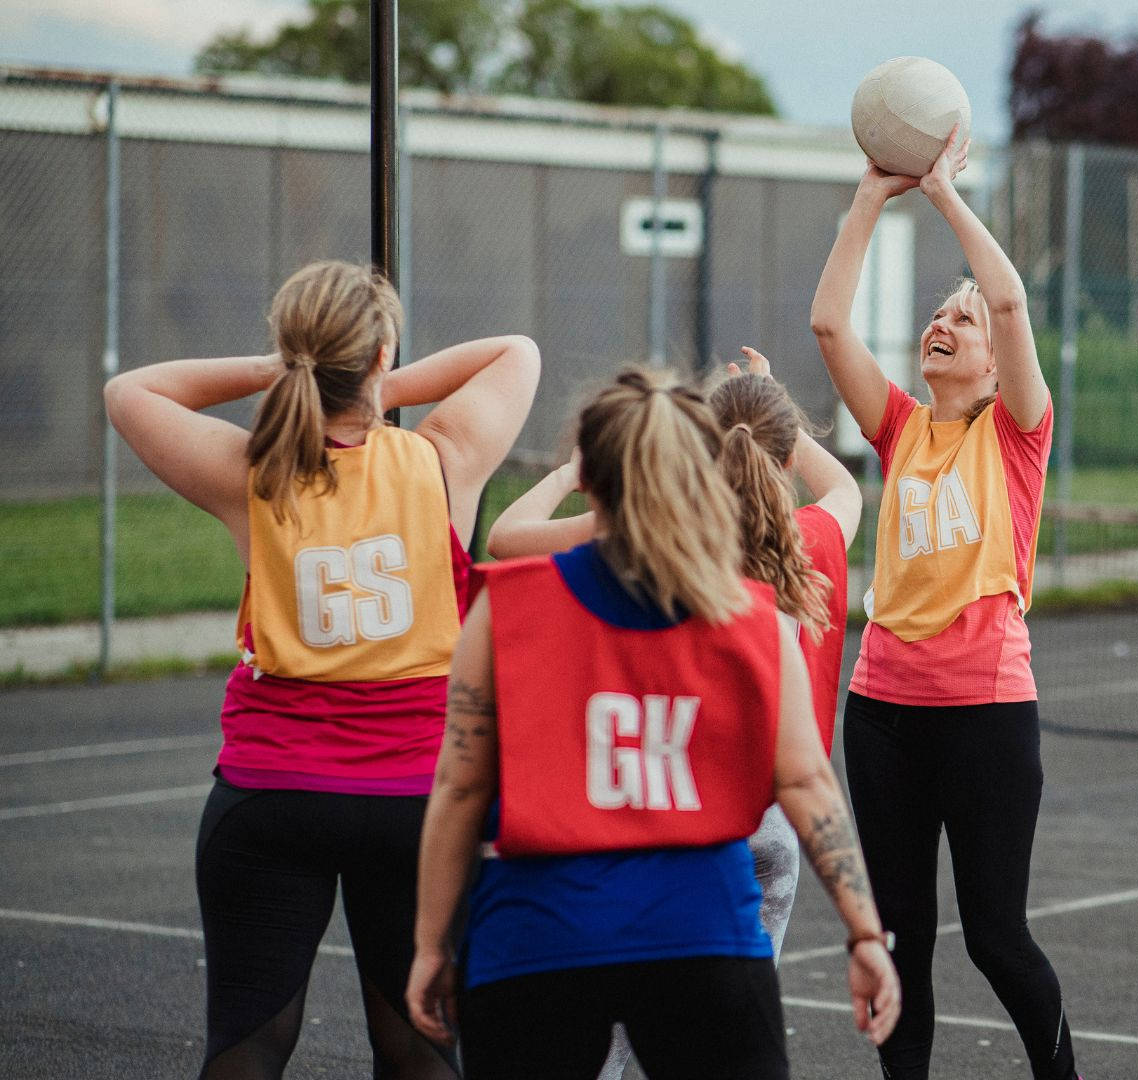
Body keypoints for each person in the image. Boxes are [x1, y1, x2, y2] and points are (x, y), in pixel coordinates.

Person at [101, 259, 540, 1078]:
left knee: (249, 1041)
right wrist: (367, 374)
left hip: (272, 794)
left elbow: (131, 392)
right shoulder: (442, 460)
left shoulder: (254, 472)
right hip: (418, 801)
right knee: (419, 1042)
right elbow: (516, 350)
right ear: (379, 357)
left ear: (293, 356)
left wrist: (282, 368)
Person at [404, 366, 898, 1080]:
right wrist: (864, 933)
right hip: (700, 931)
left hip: (539, 933)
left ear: (592, 483)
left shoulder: (509, 605)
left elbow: (458, 787)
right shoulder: (750, 620)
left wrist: (429, 944)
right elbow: (807, 785)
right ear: (695, 479)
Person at [811, 128, 1080, 1079]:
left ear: (1000, 366)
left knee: (996, 938)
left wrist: (942, 195)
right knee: (899, 938)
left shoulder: (1016, 435)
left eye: (961, 325)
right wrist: (869, 201)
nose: (947, 323)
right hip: (883, 709)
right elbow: (830, 327)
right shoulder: (901, 428)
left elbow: (1005, 296)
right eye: (939, 315)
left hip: (985, 710)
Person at [485, 345, 860, 959]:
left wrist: (571, 473)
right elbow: (845, 486)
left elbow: (505, 538)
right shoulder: (809, 538)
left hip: (677, 798)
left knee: (624, 1013)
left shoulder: (650, 532)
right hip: (771, 815)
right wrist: (775, 402)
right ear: (788, 458)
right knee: (734, 1026)